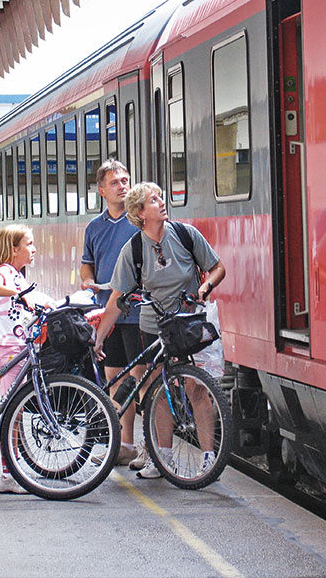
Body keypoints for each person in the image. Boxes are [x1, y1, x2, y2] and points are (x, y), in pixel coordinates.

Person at [94, 182, 226, 479]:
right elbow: (117, 298)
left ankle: (209, 459)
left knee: (198, 389)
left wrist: (206, 286)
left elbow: (218, 267)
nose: (162, 203)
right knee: (157, 392)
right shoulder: (135, 250)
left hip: (190, 321)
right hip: (154, 326)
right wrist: (100, 336)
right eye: (154, 201)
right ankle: (162, 458)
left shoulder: (185, 234)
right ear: (140, 213)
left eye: (160, 198)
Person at [80, 159, 145, 467]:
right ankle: (124, 443)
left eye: (126, 180)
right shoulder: (95, 227)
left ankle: (147, 447)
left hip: (136, 313)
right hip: (107, 310)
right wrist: (87, 278)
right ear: (101, 190)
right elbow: (87, 262)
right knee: (116, 380)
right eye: (116, 182)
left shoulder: (139, 222)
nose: (123, 185)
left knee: (141, 381)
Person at [0, 223, 53, 494]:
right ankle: (7, 476)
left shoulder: (18, 275)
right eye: (29, 244)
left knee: (14, 407)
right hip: (8, 348)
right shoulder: (4, 273)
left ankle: (11, 465)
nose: (34, 249)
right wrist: (19, 296)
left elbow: (36, 297)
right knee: (12, 412)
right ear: (14, 249)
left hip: (17, 347)